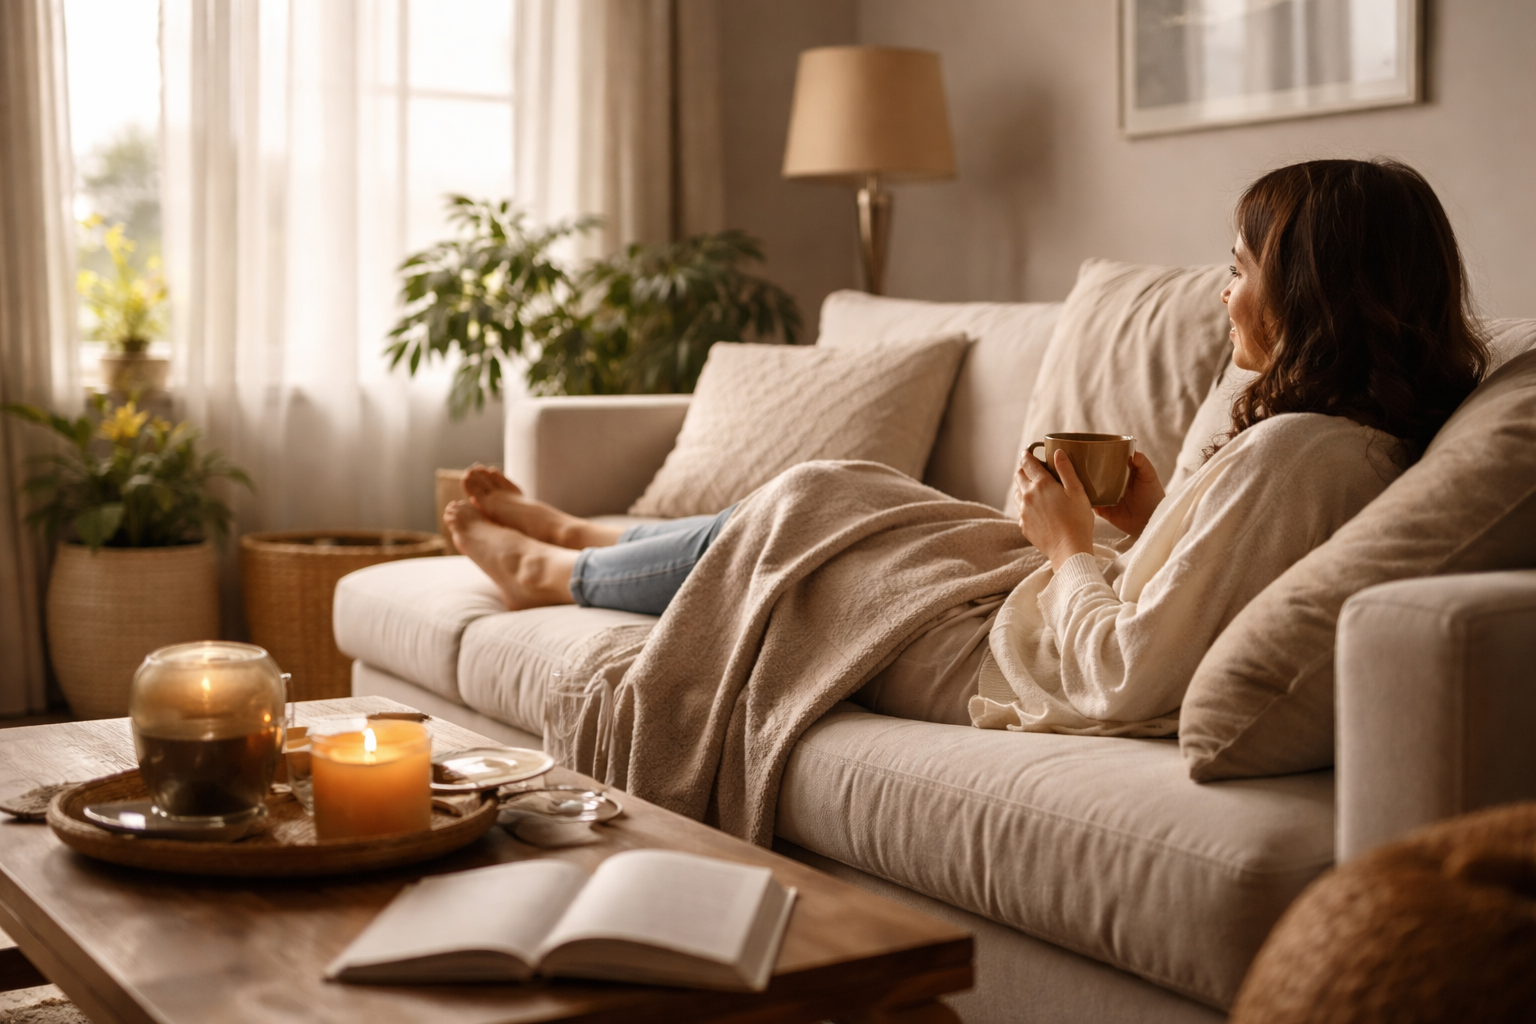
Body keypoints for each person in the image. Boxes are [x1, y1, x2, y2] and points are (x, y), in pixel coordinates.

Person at [446, 158, 1488, 736]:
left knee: (816, 505)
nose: (1223, 294)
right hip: (1029, 616)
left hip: (1012, 657)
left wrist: (1068, 545)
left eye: (1239, 269)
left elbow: (1127, 671)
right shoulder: (1345, 447)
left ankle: (565, 570)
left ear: (1311, 291)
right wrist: (1148, 518)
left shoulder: (1300, 454)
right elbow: (1196, 588)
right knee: (840, 492)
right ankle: (591, 541)